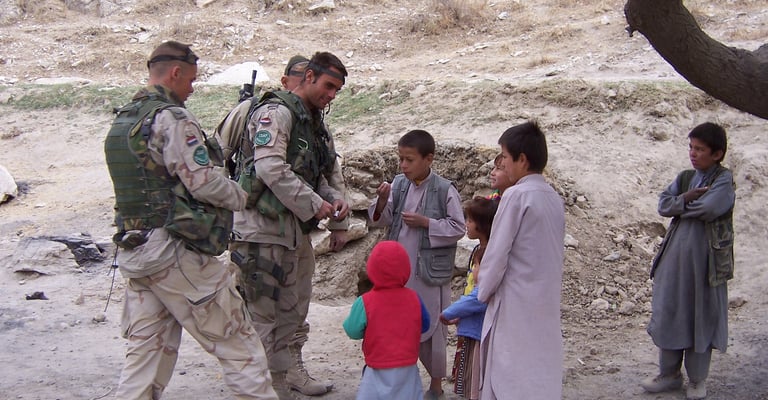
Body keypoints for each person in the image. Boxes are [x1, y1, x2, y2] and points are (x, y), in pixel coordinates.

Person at [104, 40, 277, 400]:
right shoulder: (172, 118)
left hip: (136, 252)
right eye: (191, 80)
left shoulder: (124, 120)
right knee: (240, 345)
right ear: (175, 73)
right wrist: (239, 196)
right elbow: (203, 182)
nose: (192, 88)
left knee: (145, 361)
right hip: (174, 252)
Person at [217, 54, 344, 396]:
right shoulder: (275, 113)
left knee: (290, 317)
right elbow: (269, 167)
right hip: (259, 233)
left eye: (337, 90)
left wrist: (333, 199)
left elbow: (317, 173)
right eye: (329, 86)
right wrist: (315, 204)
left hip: (291, 234)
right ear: (309, 77)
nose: (332, 95)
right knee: (260, 321)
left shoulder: (311, 122)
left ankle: (280, 384)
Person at [368, 129, 466, 400]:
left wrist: (427, 223)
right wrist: (382, 201)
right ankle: (402, 379)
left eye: (409, 160)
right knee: (399, 325)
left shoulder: (445, 189)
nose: (403, 165)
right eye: (401, 159)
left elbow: (458, 228)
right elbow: (382, 218)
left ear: (429, 159)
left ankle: (436, 385)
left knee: (433, 325)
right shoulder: (398, 184)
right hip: (399, 274)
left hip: (429, 274)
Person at [641, 122, 735, 400]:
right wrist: (684, 198)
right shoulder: (685, 178)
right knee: (671, 312)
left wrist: (679, 205)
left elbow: (709, 207)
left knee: (700, 317)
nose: (693, 154)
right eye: (691, 147)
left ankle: (697, 379)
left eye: (700, 149)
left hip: (706, 266)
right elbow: (663, 204)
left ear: (717, 154)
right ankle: (669, 375)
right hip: (674, 263)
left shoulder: (723, 180)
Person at [477, 121, 565, 400]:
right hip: (545, 299)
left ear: (522, 160)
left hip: (514, 300)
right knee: (539, 364)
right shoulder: (553, 197)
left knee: (510, 370)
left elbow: (497, 253)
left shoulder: (516, 195)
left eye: (504, 156)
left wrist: (482, 291)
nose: (502, 162)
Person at [343, 241, 431, 400]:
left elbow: (352, 331)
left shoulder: (365, 302)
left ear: (372, 269)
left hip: (376, 368)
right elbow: (425, 325)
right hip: (408, 369)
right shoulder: (414, 298)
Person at [440, 197, 496, 400]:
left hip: (478, 330)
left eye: (470, 221)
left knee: (475, 379)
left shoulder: (488, 255)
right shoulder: (478, 250)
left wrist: (449, 313)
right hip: (469, 325)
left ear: (482, 225)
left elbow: (479, 295)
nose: (466, 224)